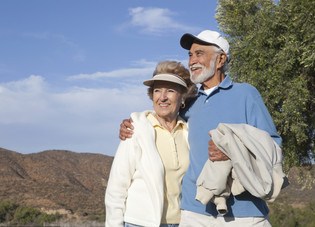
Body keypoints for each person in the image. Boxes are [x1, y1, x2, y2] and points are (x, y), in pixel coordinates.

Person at [119, 30, 282, 226]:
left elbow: (273, 145)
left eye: (199, 54)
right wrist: (135, 123)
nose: (191, 61)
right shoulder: (188, 102)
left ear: (220, 59)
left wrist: (233, 152)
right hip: (195, 212)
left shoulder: (246, 94)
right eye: (190, 55)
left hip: (245, 212)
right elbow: (163, 117)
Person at [105, 60, 197, 227]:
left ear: (183, 96)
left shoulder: (188, 132)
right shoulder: (136, 129)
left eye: (170, 91)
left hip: (182, 222)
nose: (162, 97)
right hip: (140, 223)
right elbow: (116, 189)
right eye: (157, 91)